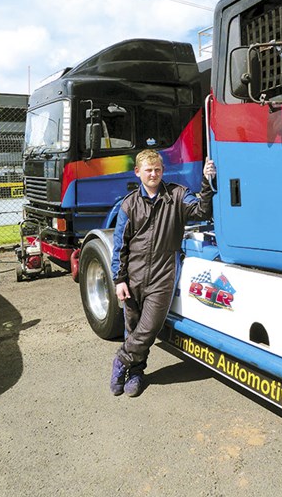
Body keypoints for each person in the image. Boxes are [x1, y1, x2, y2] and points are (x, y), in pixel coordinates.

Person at [109, 149, 216, 397]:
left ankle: (121, 361)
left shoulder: (177, 195)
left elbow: (202, 211)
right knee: (132, 327)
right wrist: (119, 279)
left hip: (163, 275)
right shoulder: (129, 204)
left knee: (148, 328)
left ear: (163, 171)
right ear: (138, 173)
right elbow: (119, 246)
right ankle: (135, 373)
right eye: (148, 170)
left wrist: (206, 182)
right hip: (133, 275)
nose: (154, 174)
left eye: (157, 169)